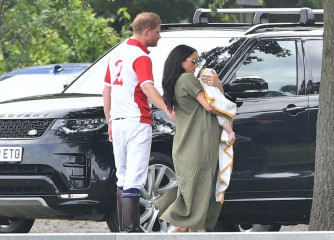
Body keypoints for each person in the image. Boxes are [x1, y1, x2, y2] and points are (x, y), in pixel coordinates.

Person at [103, 12, 174, 233]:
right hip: (137, 120)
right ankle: (132, 231)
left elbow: (107, 89)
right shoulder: (141, 57)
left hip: (119, 121)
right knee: (135, 177)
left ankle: (125, 230)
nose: (159, 36)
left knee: (122, 177)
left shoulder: (116, 53)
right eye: (157, 31)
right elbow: (146, 86)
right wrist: (166, 107)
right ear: (146, 31)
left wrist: (109, 120)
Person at [155, 44, 231, 232]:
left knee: (191, 197)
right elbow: (211, 106)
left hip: (186, 146)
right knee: (196, 202)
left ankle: (183, 228)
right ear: (181, 62)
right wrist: (218, 86)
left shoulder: (176, 82)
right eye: (193, 61)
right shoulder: (188, 79)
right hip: (198, 147)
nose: (196, 65)